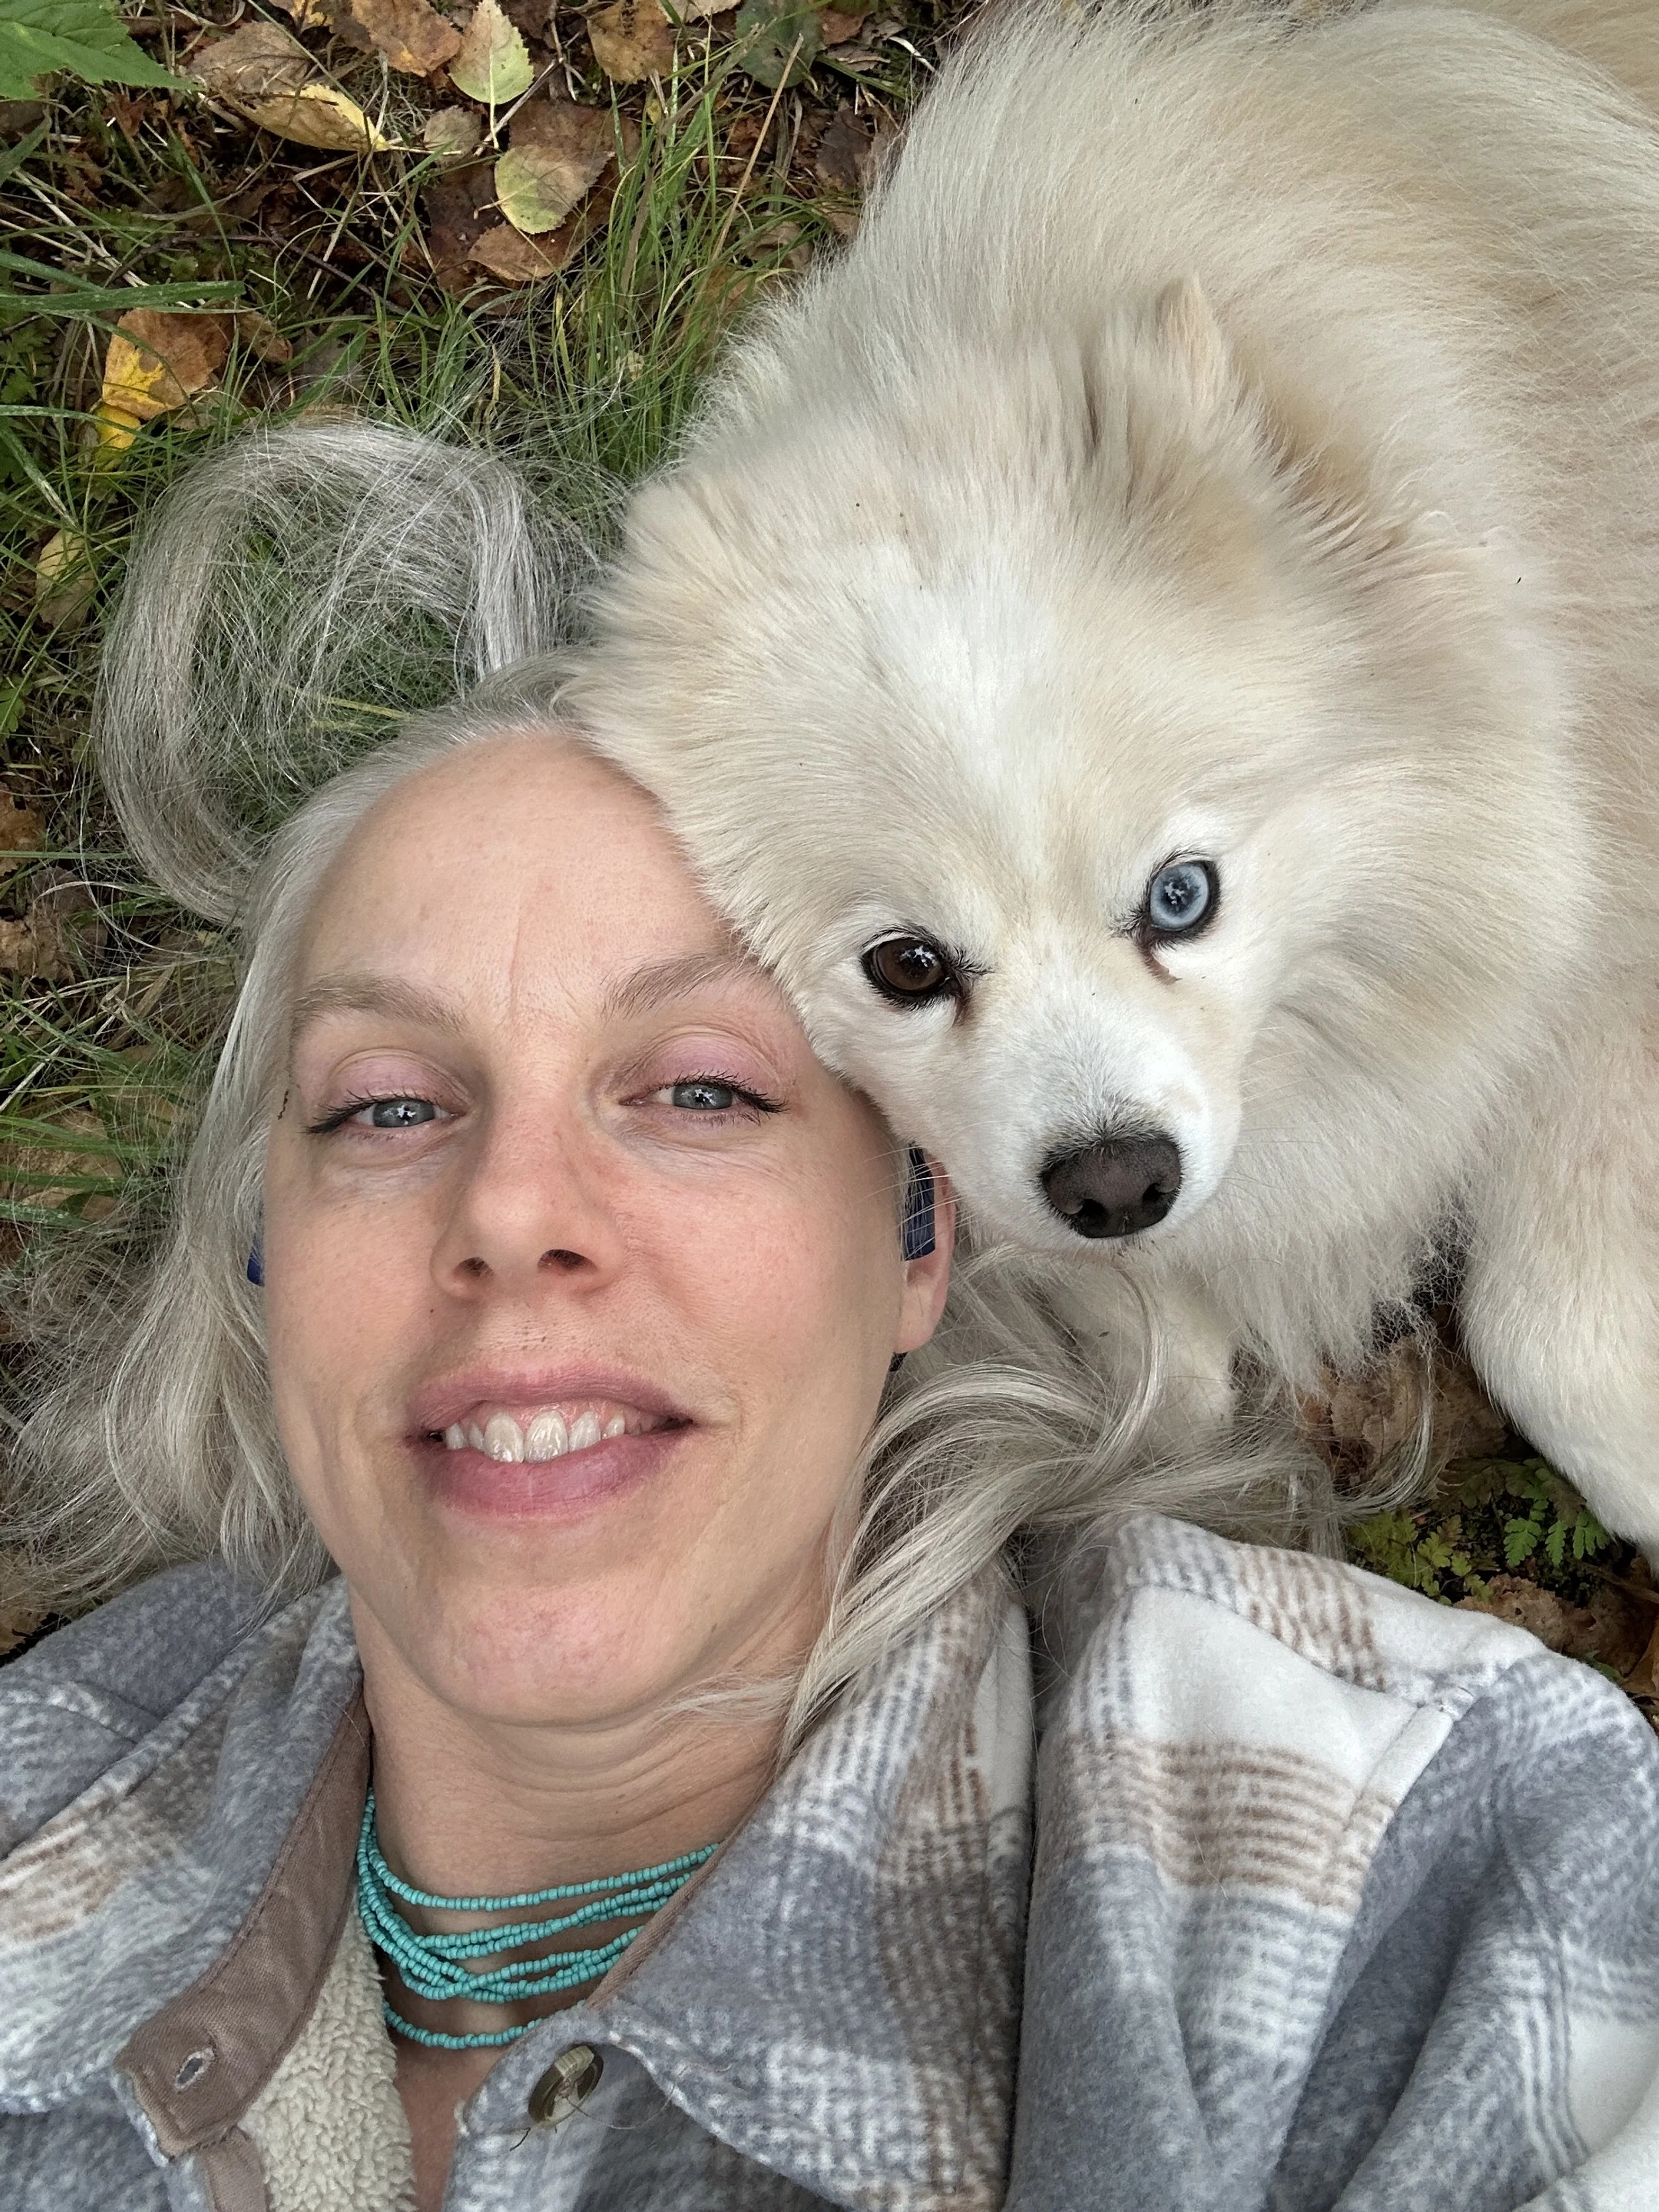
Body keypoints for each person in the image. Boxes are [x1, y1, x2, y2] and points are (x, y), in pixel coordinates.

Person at [2, 426, 1657, 2212]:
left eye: (701, 1089)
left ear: (920, 1228)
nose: (511, 1214)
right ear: (268, 1247)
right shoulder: (41, 1799)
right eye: (387, 1106)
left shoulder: (1397, 1868)